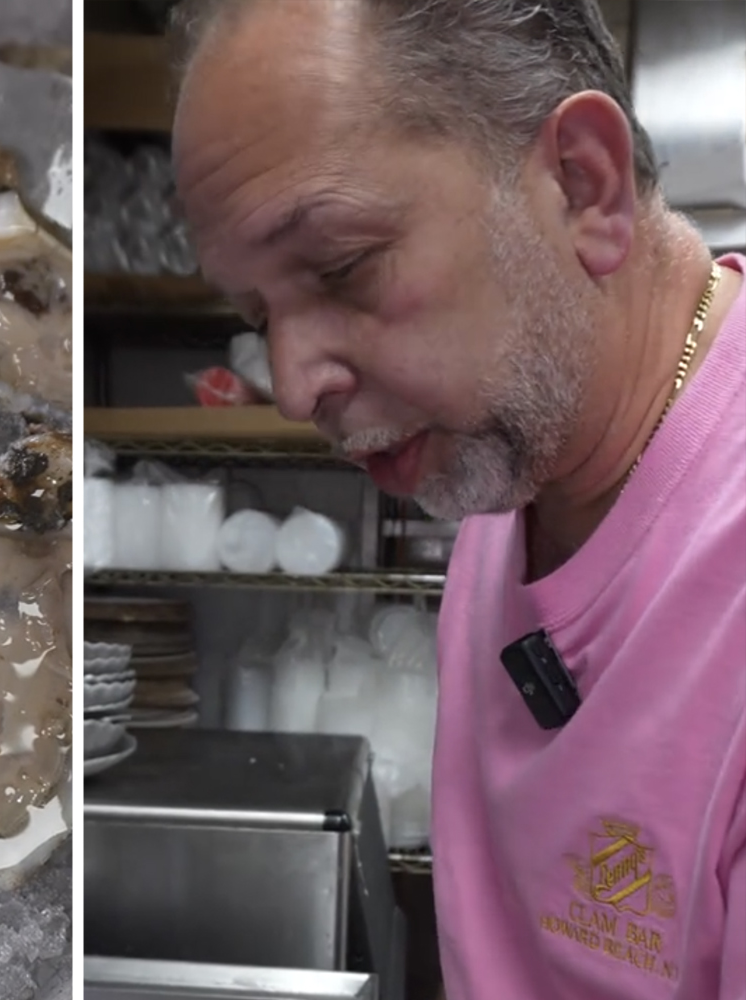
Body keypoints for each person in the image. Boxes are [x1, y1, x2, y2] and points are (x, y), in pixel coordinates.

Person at [169, 0, 746, 996]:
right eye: (256, 312)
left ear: (581, 184)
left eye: (342, 266)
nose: (293, 382)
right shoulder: (508, 442)